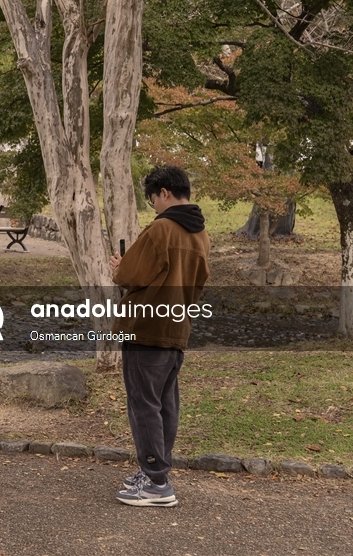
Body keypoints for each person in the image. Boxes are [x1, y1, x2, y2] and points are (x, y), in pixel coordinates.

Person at [109, 165, 210, 507]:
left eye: (153, 199)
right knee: (165, 404)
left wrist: (120, 266)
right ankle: (156, 471)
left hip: (146, 328)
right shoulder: (200, 235)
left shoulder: (161, 230)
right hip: (176, 328)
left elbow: (128, 275)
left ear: (164, 192)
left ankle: (156, 483)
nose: (154, 205)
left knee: (144, 404)